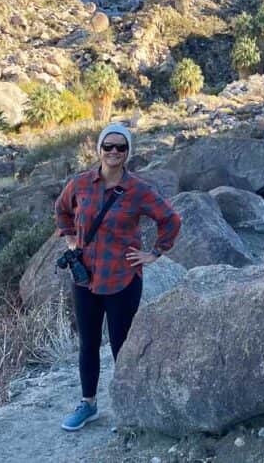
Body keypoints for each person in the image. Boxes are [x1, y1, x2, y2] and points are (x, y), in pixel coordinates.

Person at [54, 123, 181, 431]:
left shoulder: (138, 190)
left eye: (120, 147)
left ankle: (127, 408)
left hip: (123, 278)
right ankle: (88, 404)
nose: (113, 152)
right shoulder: (81, 184)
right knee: (88, 343)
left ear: (127, 153)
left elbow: (170, 219)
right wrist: (71, 238)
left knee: (121, 345)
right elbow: (61, 209)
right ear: (99, 149)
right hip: (85, 277)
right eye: (108, 146)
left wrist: (154, 253)